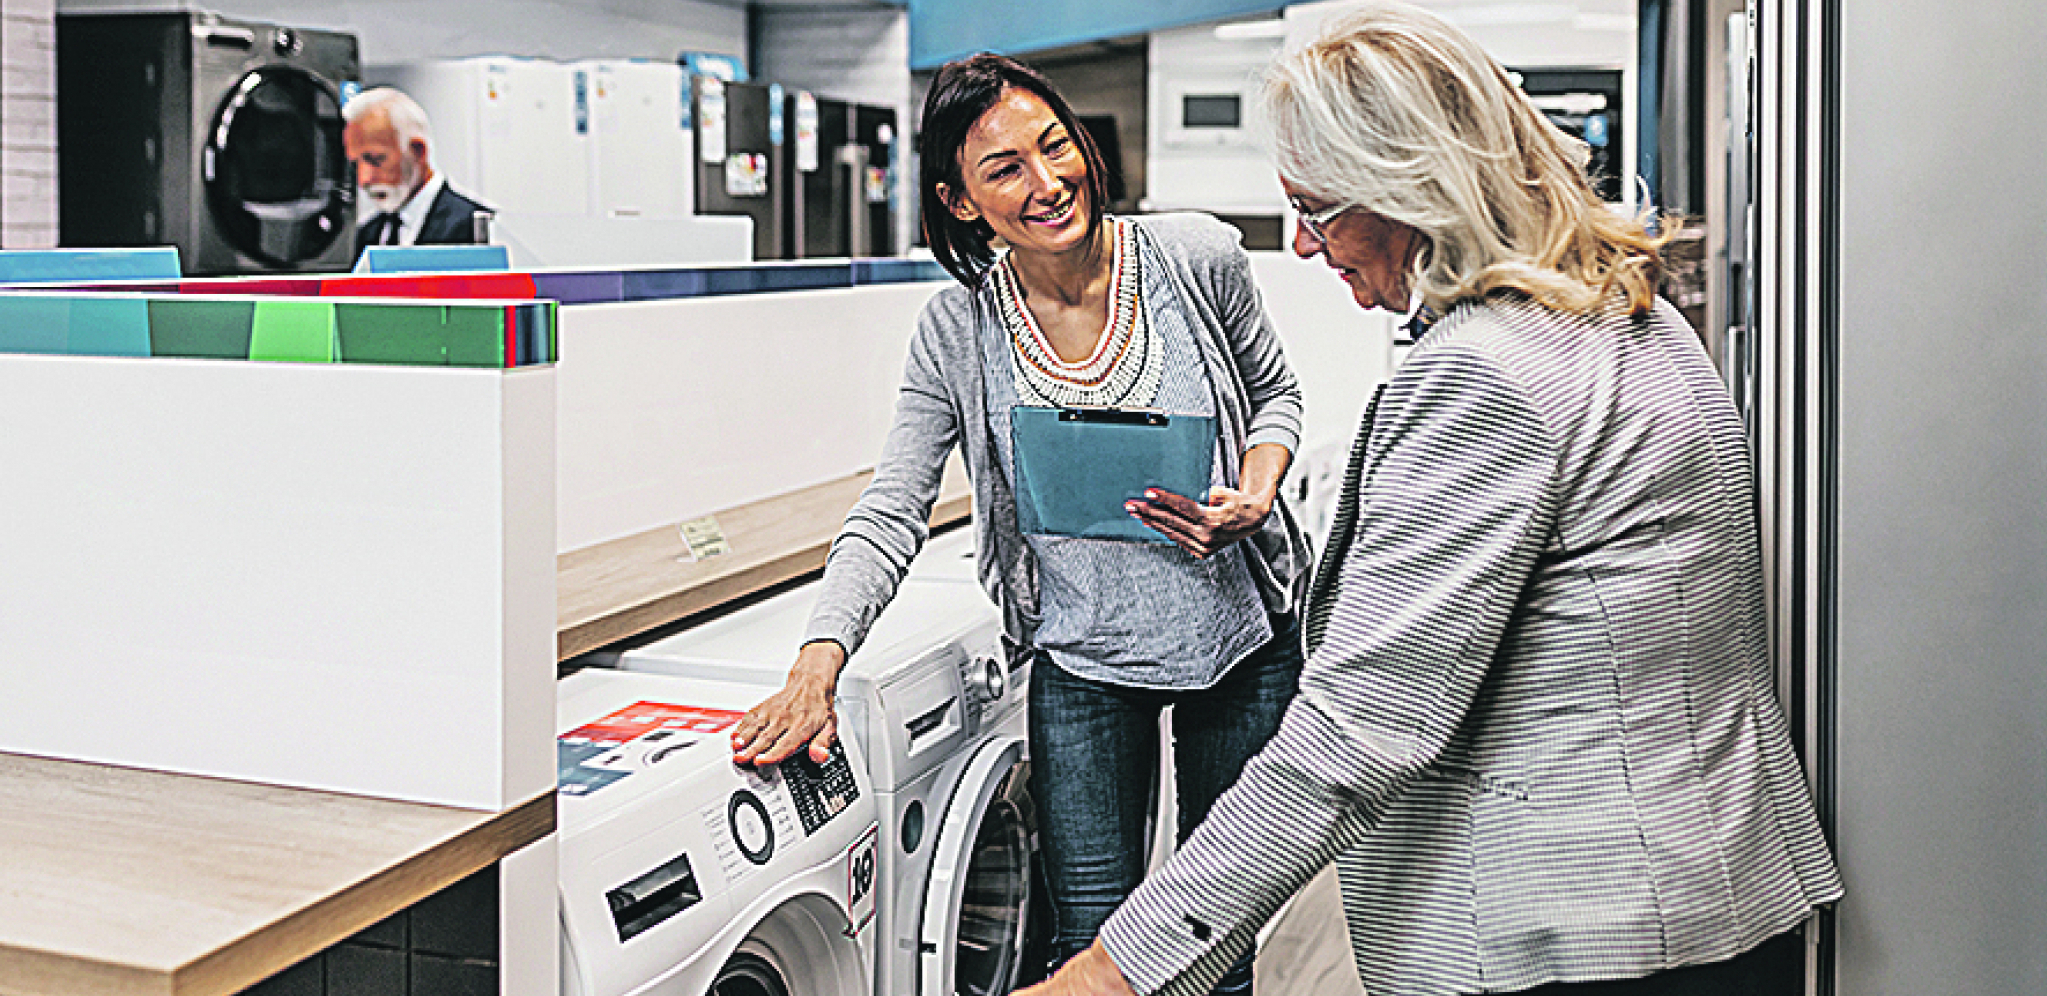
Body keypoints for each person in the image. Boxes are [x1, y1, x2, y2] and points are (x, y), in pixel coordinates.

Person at [1020, 4, 1844, 996]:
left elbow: (1358, 728)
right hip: (1707, 892)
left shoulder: (1486, 374)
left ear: (1407, 186)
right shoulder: (1632, 316)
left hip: (1585, 934)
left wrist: (1114, 968)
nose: (1305, 242)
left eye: (1317, 208)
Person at [728, 53, 1313, 995]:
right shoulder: (957, 329)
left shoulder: (1194, 258)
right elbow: (893, 506)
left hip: (1236, 651)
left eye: (1057, 146)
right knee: (1082, 942)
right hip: (1082, 661)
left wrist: (1252, 489)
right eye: (1005, 169)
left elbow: (1277, 394)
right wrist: (814, 667)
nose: (1049, 183)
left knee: (1216, 943)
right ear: (961, 201)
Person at [340, 87, 490, 253]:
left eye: (376, 159)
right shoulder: (368, 234)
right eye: (355, 165)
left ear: (418, 151)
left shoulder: (473, 226)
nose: (364, 178)